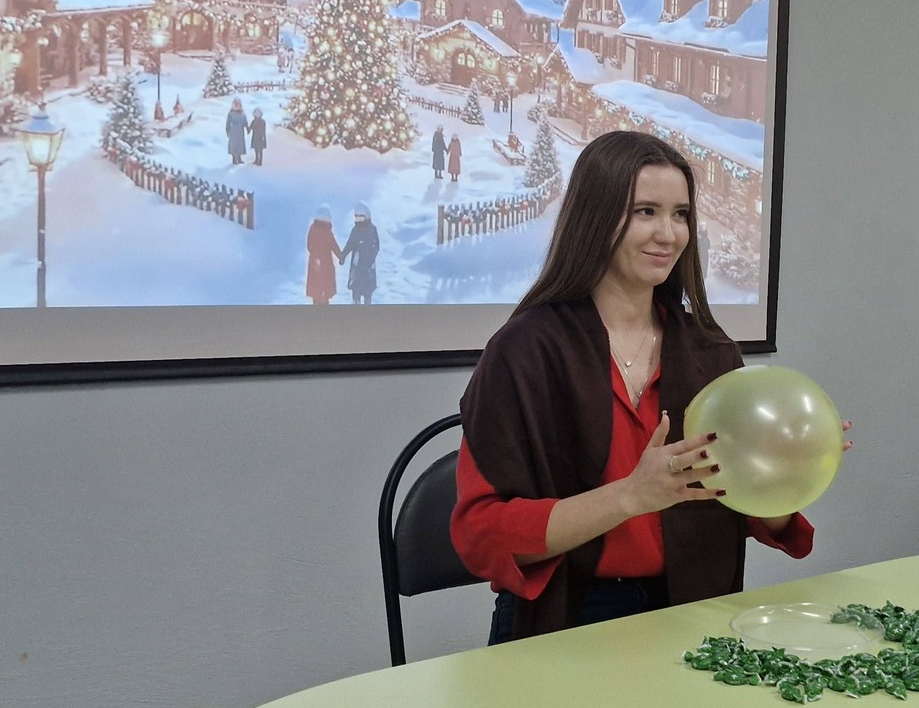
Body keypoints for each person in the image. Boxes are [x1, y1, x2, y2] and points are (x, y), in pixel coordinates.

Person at [451, 130, 818, 642]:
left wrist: (787, 468)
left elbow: (752, 510)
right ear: (595, 217)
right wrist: (630, 496)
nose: (668, 234)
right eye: (646, 211)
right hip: (568, 617)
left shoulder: (712, 352)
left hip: (693, 608)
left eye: (681, 214)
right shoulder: (524, 351)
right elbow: (482, 535)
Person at [304, 205, 342, 305]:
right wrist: (341, 256)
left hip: (314, 263)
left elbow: (309, 245)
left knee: (316, 290)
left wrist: (315, 256)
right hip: (326, 264)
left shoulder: (313, 229)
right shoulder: (327, 232)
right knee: (325, 289)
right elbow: (334, 245)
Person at [343, 203, 379, 304]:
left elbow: (376, 246)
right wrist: (343, 255)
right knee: (356, 293)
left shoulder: (372, 229)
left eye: (361, 218)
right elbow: (350, 244)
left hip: (368, 269)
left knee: (367, 294)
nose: (359, 221)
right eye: (357, 218)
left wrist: (370, 259)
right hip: (357, 268)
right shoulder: (355, 230)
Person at [224, 98, 247, 165]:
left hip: (240, 132)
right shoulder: (231, 113)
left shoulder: (242, 113)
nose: (237, 106)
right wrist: (227, 130)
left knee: (239, 145)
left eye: (238, 104)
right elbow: (228, 123)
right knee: (233, 146)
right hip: (233, 132)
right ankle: (234, 159)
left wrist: (247, 127)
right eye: (235, 104)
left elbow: (245, 121)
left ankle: (239, 158)